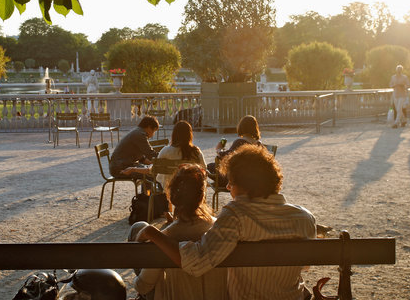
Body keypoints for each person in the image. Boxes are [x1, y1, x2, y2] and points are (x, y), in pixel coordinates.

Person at [136, 144, 317, 300]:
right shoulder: (305, 218)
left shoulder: (236, 216)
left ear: (246, 184)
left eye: (231, 183)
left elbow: (196, 263)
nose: (229, 188)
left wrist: (151, 232)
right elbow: (305, 266)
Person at [128, 164, 228, 300]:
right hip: (215, 294)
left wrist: (146, 233)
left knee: (137, 227)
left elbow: (143, 287)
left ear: (171, 196)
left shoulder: (164, 239)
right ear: (202, 196)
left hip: (175, 295)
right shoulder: (218, 228)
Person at [207, 115, 262, 186]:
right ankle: (216, 182)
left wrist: (219, 150)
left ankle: (218, 183)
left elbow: (226, 157)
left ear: (242, 127)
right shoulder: (259, 144)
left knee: (210, 166)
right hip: (253, 177)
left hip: (238, 178)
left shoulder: (239, 142)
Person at [109, 116, 159, 181]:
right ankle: (148, 191)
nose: (153, 134)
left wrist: (151, 163)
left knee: (149, 170)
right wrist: (166, 158)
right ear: (149, 127)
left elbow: (141, 158)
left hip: (120, 165)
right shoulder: (139, 135)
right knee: (152, 174)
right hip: (120, 168)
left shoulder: (137, 132)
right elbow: (150, 154)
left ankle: (145, 191)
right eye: (154, 131)